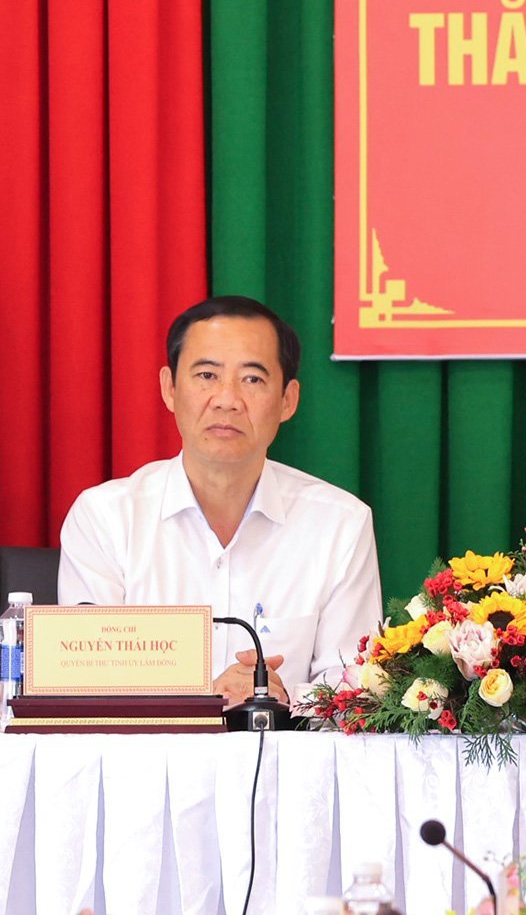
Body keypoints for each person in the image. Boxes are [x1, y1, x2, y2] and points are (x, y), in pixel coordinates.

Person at [58, 296, 382, 708]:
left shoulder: (340, 525)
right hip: (143, 769)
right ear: (169, 388)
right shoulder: (105, 519)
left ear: (288, 400)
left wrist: (275, 697)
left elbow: (355, 689)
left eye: (252, 379)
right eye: (207, 375)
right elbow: (85, 688)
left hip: (289, 768)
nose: (227, 399)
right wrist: (209, 696)